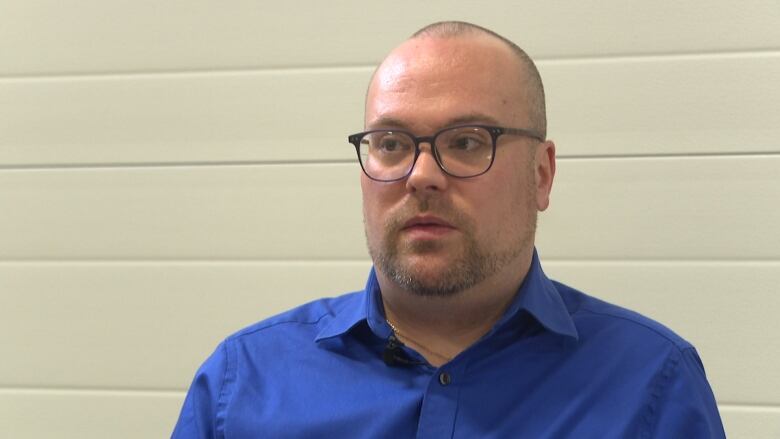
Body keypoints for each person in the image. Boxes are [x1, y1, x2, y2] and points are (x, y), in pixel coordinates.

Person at [172, 21, 725, 438]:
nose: (422, 176)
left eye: (465, 142)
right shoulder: (243, 385)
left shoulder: (650, 383)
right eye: (391, 144)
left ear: (541, 174)